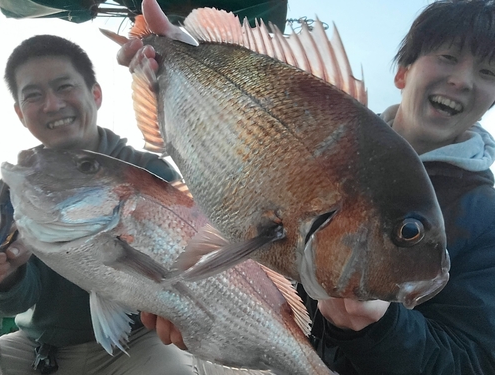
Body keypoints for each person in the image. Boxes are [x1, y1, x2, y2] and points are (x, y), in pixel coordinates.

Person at [123, 0, 495, 374]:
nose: (462, 80)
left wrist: (383, 330)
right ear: (402, 72)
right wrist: (172, 51)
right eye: (447, 57)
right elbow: (253, 256)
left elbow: (471, 363)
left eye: (488, 72)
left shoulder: (487, 218)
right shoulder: (339, 123)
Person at [0, 34, 196, 375]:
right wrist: (6, 277)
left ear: (95, 94)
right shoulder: (13, 189)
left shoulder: (150, 173)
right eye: (33, 95)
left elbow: (196, 253)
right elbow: (20, 300)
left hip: (140, 341)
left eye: (64, 86)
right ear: (19, 113)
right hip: (36, 346)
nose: (52, 104)